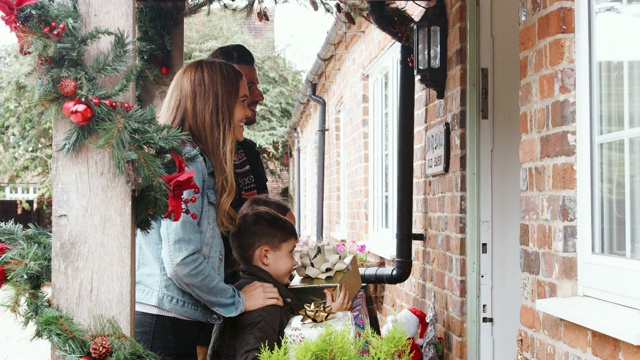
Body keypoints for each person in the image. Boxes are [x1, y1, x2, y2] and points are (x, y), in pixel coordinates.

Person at [134, 59, 284, 360]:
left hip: (167, 322)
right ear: (215, 104)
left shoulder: (191, 160)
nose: (246, 111)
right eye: (241, 102)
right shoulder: (187, 163)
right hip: (163, 327)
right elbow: (182, 261)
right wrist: (237, 300)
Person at [211, 196, 351, 359]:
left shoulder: (258, 288)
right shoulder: (264, 302)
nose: (294, 261)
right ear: (266, 256)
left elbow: (289, 322)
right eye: (291, 252)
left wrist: (325, 313)